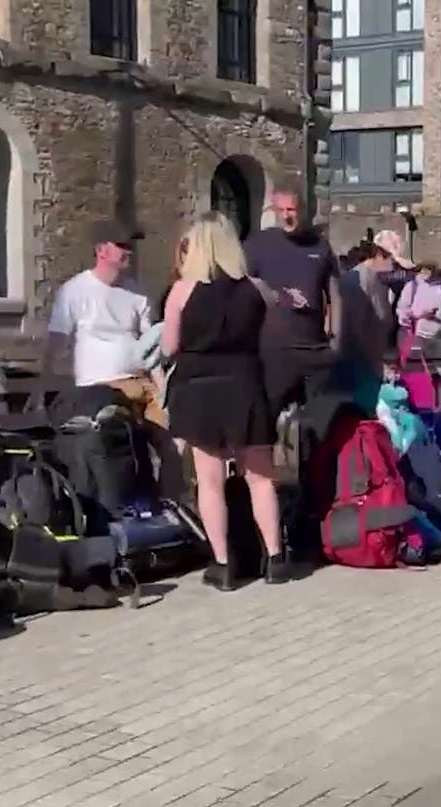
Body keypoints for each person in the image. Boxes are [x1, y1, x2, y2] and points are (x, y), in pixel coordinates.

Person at [161, 213, 289, 591]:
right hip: (246, 384)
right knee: (261, 478)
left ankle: (223, 565)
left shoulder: (182, 291)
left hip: (199, 388)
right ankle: (276, 558)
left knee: (210, 481)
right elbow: (274, 336)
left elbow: (169, 346)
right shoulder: (258, 289)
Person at [35, 221, 156, 418]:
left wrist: (162, 387)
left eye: (130, 246)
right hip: (102, 387)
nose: (129, 252)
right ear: (101, 250)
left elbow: (150, 344)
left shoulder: (137, 292)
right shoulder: (74, 290)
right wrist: (40, 391)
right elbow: (56, 345)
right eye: (122, 246)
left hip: (141, 383)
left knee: (176, 429)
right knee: (120, 434)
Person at [243, 186, 343, 414]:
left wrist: (337, 340)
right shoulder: (258, 244)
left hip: (315, 349)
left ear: (303, 210)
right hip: (275, 351)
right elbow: (245, 288)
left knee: (322, 421)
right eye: (281, 210)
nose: (287, 215)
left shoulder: (319, 245)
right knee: (268, 421)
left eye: (292, 209)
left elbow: (335, 294)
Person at [337, 238, 399, 413]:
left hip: (370, 365)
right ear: (380, 255)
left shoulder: (375, 280)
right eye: (393, 260)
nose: (396, 266)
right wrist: (374, 364)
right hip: (360, 367)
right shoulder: (358, 281)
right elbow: (355, 329)